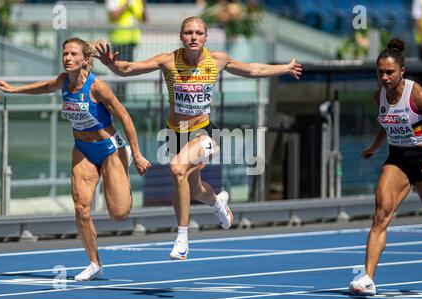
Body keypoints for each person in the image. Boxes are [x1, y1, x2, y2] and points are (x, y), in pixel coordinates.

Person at [94, 17, 302, 260]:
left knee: (177, 168)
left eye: (198, 33)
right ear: (181, 37)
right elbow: (128, 69)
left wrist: (285, 68)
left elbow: (253, 70)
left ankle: (182, 238)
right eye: (188, 33)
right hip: (177, 133)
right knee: (195, 189)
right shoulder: (168, 61)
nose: (193, 37)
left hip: (206, 132)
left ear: (205, 37)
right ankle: (218, 203)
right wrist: (112, 65)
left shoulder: (217, 60)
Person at [0, 37, 151, 281]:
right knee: (81, 208)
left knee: (119, 214)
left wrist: (137, 154)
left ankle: (124, 161)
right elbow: (44, 87)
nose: (67, 58)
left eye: (73, 54)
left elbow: (125, 117)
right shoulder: (64, 81)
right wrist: (13, 89)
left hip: (110, 149)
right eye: (65, 54)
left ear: (85, 60)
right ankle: (94, 262)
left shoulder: (98, 87)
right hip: (82, 149)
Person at [348, 38, 422, 296]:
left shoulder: (417, 94)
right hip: (397, 158)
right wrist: (376, 146)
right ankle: (367, 278)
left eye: (389, 72)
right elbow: (388, 123)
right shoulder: (380, 97)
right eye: (380, 72)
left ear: (402, 72)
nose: (384, 77)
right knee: (381, 214)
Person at [106, 0, 147, 100]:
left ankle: (122, 99)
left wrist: (144, 5)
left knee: (127, 72)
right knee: (119, 72)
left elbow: (144, 19)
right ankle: (117, 99)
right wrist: (126, 4)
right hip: (119, 40)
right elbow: (113, 16)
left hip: (131, 41)